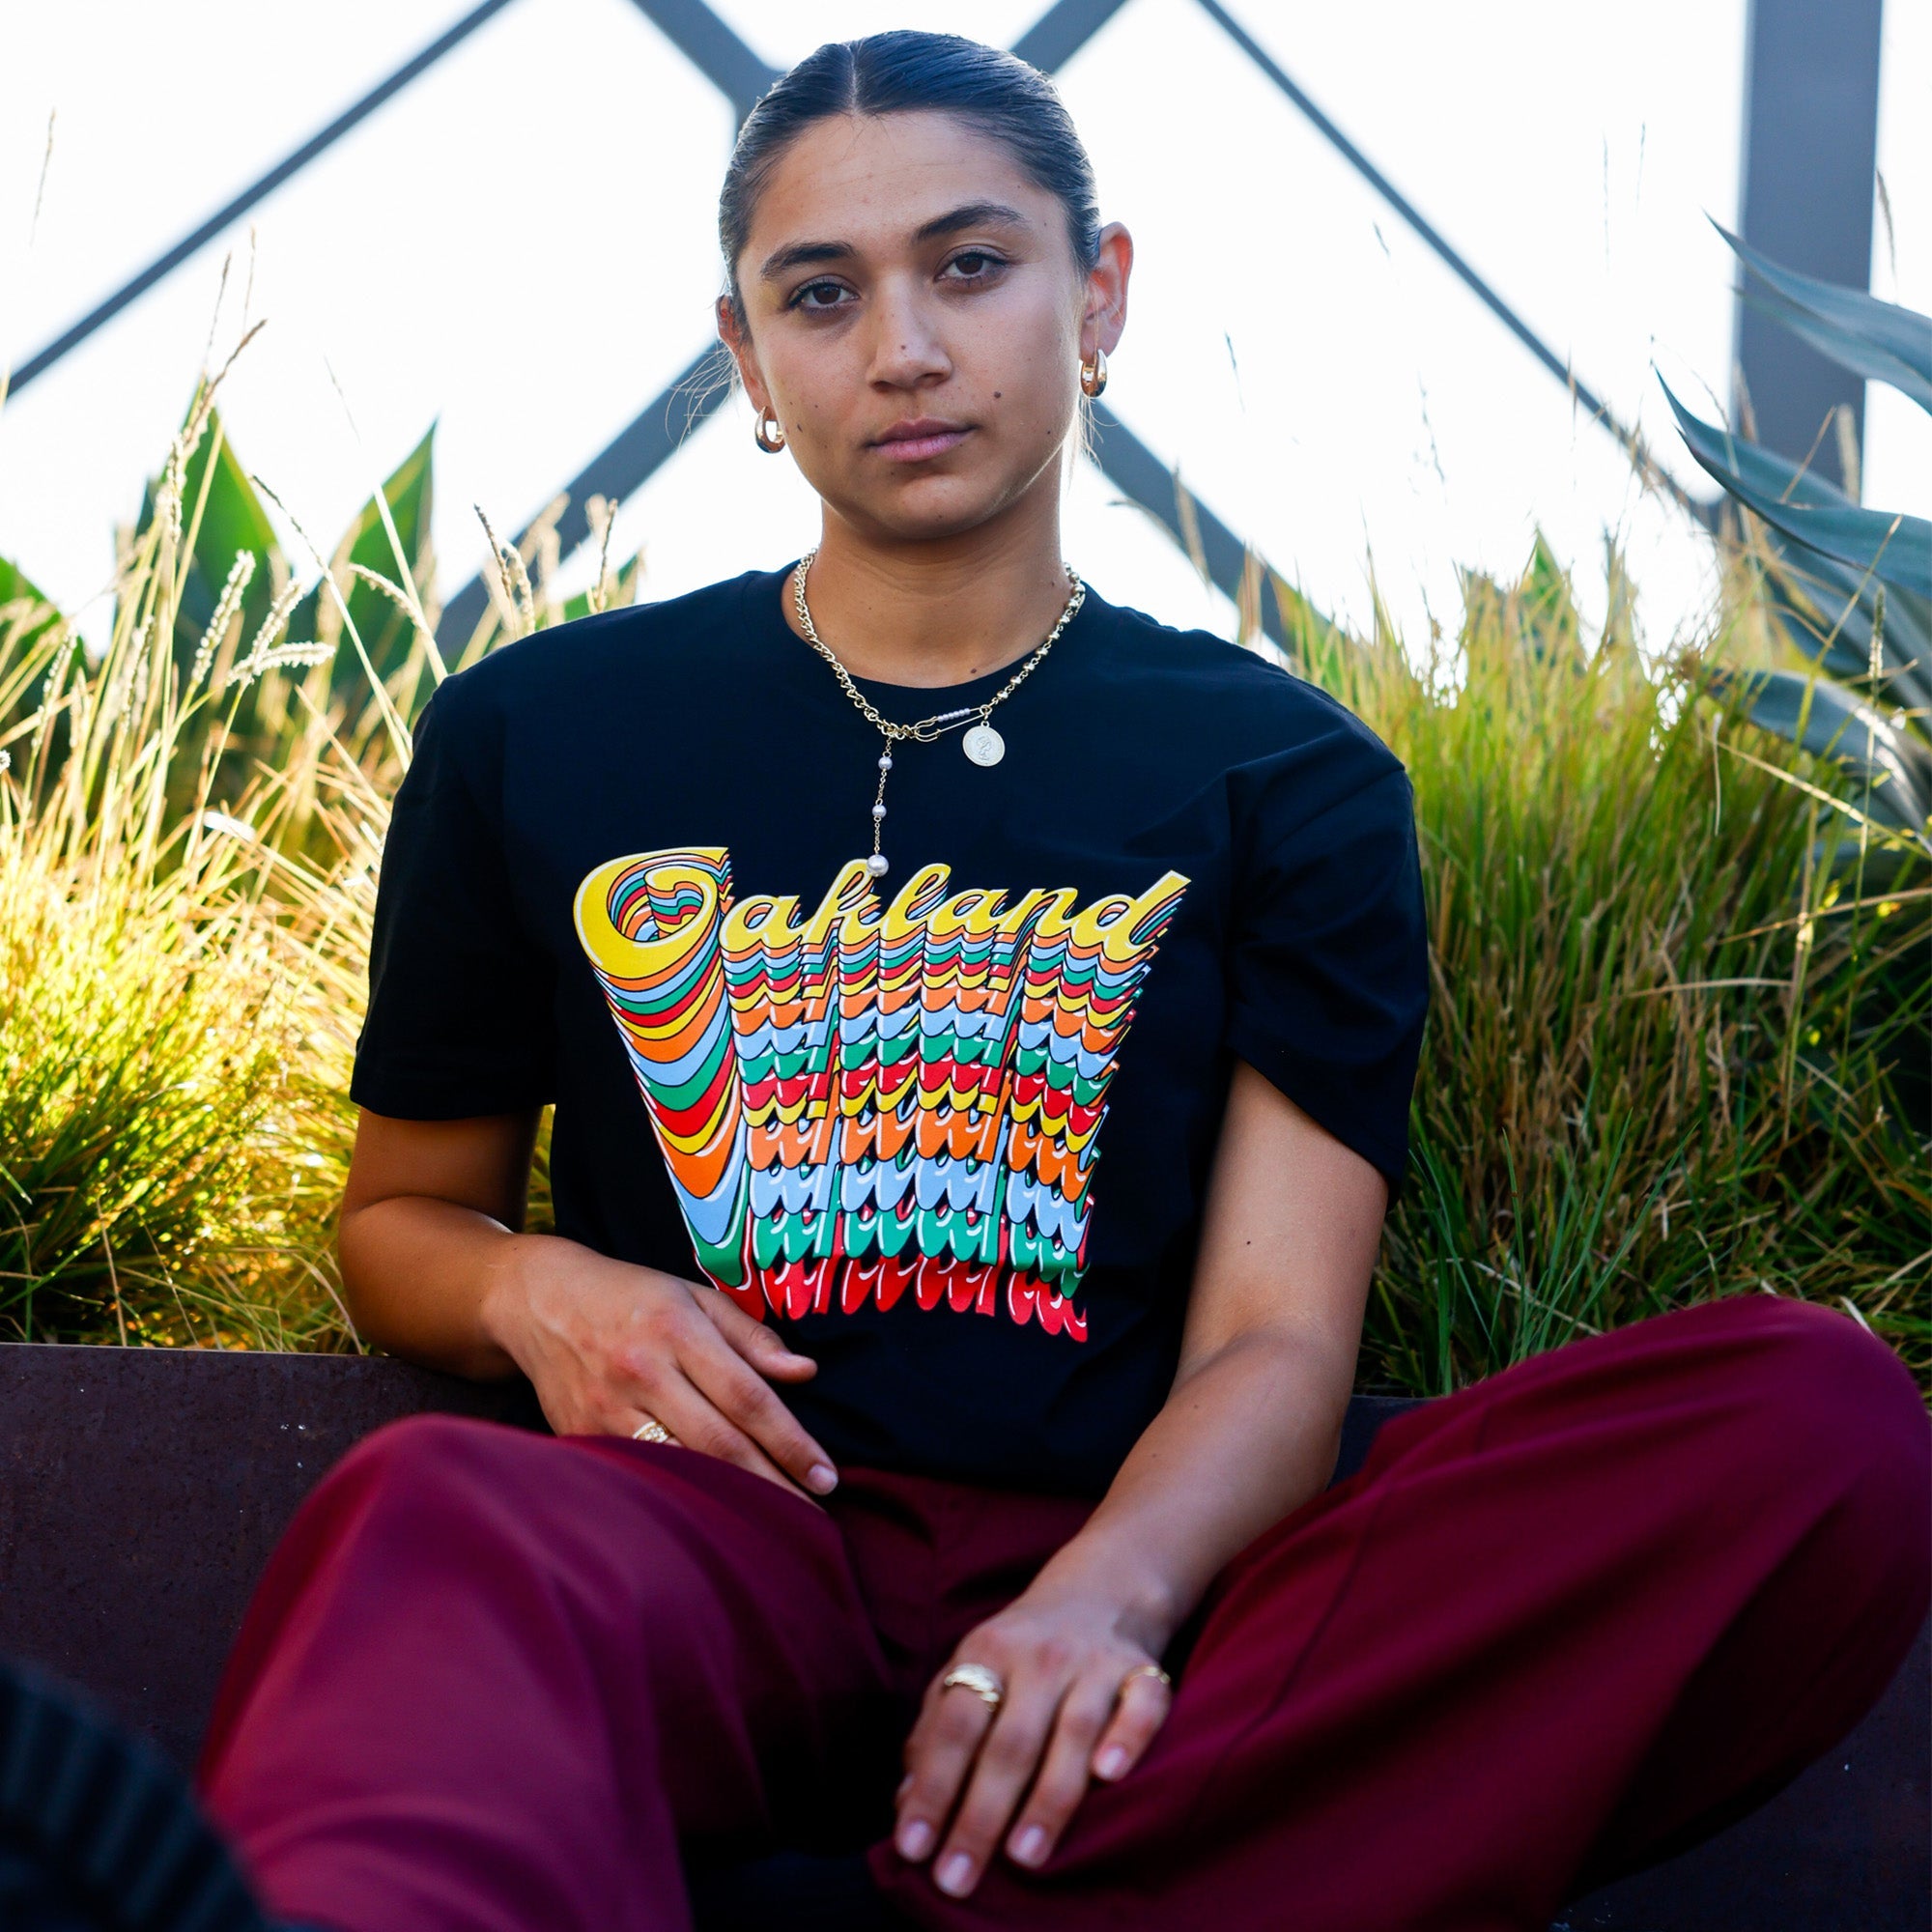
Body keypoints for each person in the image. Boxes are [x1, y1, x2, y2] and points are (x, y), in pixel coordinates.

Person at [194, 32, 1929, 1932]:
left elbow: (1275, 1339)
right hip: (698, 1549)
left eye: (970, 263)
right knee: (428, 1517)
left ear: (1096, 294)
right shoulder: (539, 732)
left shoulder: (1288, 778)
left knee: (1810, 1420)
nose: (904, 348)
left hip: (1150, 1607)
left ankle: (998, 1866)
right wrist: (542, 1285)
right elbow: (405, 1217)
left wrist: (1107, 1598)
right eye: (820, 294)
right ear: (745, 358)